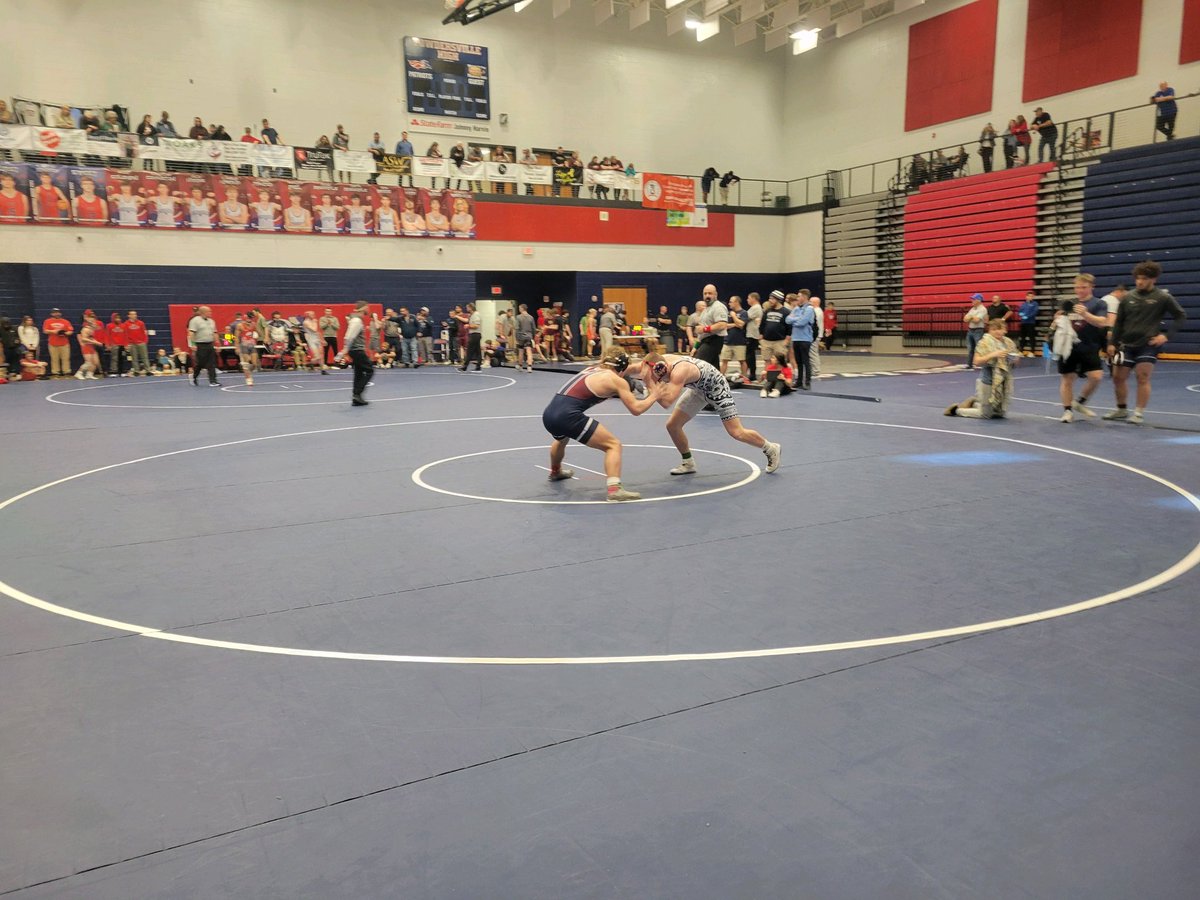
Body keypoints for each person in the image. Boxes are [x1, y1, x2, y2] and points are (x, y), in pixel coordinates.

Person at [627, 351, 781, 476]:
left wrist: (648, 382)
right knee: (672, 426)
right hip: (698, 389)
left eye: (657, 378)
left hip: (717, 388)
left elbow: (666, 403)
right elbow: (624, 369)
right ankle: (688, 463)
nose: (655, 380)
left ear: (663, 368)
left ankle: (770, 448)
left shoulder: (679, 371)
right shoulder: (650, 364)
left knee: (736, 432)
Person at [542, 346, 663, 501]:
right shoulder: (617, 381)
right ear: (622, 368)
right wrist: (654, 395)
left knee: (561, 439)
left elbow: (624, 370)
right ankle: (614, 490)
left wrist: (641, 368)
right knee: (613, 445)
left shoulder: (594, 368)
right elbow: (636, 409)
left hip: (550, 415)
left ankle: (555, 471)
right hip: (568, 416)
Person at [1104, 261, 1187, 425]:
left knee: (1142, 377)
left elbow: (1180, 316)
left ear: (1153, 279)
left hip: (1148, 345)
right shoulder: (1128, 297)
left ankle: (1138, 413)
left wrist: (1166, 336)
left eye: (1144, 278)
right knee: (1118, 378)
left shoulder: (1163, 297)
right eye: (1137, 278)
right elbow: (1119, 322)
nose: (1139, 282)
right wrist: (1112, 343)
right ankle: (1121, 409)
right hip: (1126, 344)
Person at [1053, 274, 1109, 423]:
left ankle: (1079, 402)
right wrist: (1057, 321)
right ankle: (1067, 411)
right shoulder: (1069, 304)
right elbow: (1059, 323)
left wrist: (1085, 314)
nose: (1080, 290)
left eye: (1084, 287)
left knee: (1096, 377)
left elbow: (1102, 322)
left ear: (1091, 287)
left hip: (1089, 346)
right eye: (1077, 287)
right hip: (1069, 348)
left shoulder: (1099, 304)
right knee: (1067, 378)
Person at [944, 318, 1018, 419]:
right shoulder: (984, 343)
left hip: (1003, 379)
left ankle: (975, 402)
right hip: (987, 379)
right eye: (994, 329)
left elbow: (1016, 360)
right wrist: (993, 354)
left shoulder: (1009, 343)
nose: (998, 331)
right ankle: (956, 410)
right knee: (985, 414)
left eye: (1000, 329)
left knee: (999, 414)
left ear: (1005, 330)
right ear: (989, 330)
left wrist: (1014, 359)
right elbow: (976, 361)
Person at [334, 300, 374, 406]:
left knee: (359, 373)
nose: (369, 310)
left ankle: (357, 397)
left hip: (355, 349)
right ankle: (357, 394)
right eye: (368, 307)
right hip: (356, 350)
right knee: (369, 370)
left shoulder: (355, 319)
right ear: (364, 308)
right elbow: (349, 336)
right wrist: (345, 349)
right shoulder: (356, 320)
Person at [785, 294, 815, 390]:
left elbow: (803, 322)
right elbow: (787, 320)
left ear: (804, 297)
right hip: (796, 338)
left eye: (799, 296)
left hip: (805, 338)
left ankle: (807, 381)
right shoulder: (796, 308)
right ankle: (799, 381)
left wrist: (795, 320)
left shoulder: (809, 309)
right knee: (798, 361)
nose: (797, 298)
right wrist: (798, 319)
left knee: (806, 360)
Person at [187, 305, 220, 386]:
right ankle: (194, 376)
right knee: (201, 363)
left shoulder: (212, 321)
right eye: (209, 311)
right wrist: (193, 344)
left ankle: (213, 381)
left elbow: (215, 332)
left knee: (212, 363)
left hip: (210, 344)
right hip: (200, 344)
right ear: (203, 312)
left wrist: (217, 343)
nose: (211, 313)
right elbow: (191, 333)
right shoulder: (195, 321)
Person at [719, 296, 748, 382]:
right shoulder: (728, 313)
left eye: (731, 302)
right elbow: (724, 325)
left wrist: (734, 317)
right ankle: (720, 378)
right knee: (724, 360)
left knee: (742, 361)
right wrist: (735, 324)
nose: (729, 303)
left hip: (740, 342)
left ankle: (744, 378)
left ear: (736, 302)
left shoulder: (744, 313)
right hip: (728, 341)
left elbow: (742, 324)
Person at [42, 308, 73, 377]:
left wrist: (65, 333)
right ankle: (55, 372)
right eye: (54, 312)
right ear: (52, 314)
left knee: (66, 358)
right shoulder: (47, 321)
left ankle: (66, 371)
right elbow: (45, 331)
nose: (56, 314)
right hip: (53, 343)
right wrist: (54, 331)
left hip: (64, 343)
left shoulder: (66, 321)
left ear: (60, 313)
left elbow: (71, 331)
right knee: (54, 358)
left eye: (58, 312)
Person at [962, 293, 988, 368]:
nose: (972, 300)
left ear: (979, 300)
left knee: (979, 347)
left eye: (974, 299)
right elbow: (965, 319)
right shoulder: (973, 309)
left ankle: (984, 363)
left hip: (978, 330)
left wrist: (970, 317)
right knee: (970, 348)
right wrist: (972, 317)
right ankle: (969, 364)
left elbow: (976, 320)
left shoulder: (982, 309)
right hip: (970, 330)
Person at [74, 314, 103, 380]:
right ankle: (79, 373)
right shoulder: (85, 329)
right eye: (92, 322)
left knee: (96, 362)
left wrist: (97, 342)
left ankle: (89, 374)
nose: (94, 323)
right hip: (86, 347)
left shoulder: (92, 330)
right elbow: (84, 339)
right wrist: (95, 342)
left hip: (91, 347)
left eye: (94, 321)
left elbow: (91, 338)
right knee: (88, 362)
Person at [124, 310, 151, 375]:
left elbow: (145, 332)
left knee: (144, 357)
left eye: (135, 314)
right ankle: (136, 371)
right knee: (134, 358)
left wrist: (145, 341)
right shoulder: (126, 324)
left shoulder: (141, 323)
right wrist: (127, 344)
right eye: (132, 314)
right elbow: (125, 334)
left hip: (141, 343)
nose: (134, 316)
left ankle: (148, 370)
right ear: (129, 315)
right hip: (132, 343)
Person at [236, 312, 259, 385]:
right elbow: (236, 337)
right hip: (243, 346)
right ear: (245, 318)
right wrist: (237, 347)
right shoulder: (240, 325)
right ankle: (248, 378)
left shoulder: (253, 325)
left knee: (254, 364)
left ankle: (247, 372)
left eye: (251, 318)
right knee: (247, 362)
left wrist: (256, 336)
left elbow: (257, 333)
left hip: (251, 346)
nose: (250, 320)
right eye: (248, 318)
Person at [459, 302, 483, 372]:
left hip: (475, 334)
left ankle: (465, 367)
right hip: (475, 334)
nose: (466, 309)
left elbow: (476, 325)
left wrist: (468, 326)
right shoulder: (472, 315)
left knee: (469, 350)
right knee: (478, 351)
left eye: (467, 308)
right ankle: (478, 367)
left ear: (470, 308)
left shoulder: (476, 315)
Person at [1015, 291, 1039, 357]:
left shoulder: (1035, 304)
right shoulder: (1023, 304)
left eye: (1031, 296)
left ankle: (1032, 352)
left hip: (1031, 323)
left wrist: (1027, 316)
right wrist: (1021, 315)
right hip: (1023, 323)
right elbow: (1020, 311)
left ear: (1033, 297)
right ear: (1026, 297)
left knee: (1031, 337)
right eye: (1029, 296)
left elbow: (1035, 312)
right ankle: (1021, 351)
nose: (1030, 297)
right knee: (1022, 337)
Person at [514, 303, 536, 372]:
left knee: (521, 351)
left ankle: (520, 366)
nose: (519, 309)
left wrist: (516, 337)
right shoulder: (531, 317)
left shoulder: (518, 317)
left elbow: (517, 328)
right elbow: (534, 329)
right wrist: (533, 336)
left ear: (522, 308)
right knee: (529, 351)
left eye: (519, 308)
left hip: (521, 336)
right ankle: (529, 367)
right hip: (529, 336)